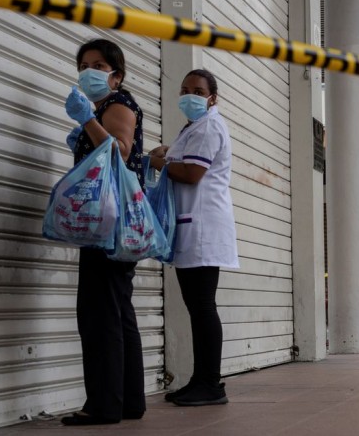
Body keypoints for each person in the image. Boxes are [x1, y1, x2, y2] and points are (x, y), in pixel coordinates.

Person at [61, 38, 146, 426]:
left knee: (99, 314)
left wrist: (87, 122)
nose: (89, 70)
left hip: (106, 221)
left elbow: (120, 151)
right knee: (116, 310)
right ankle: (128, 401)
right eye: (84, 64)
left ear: (117, 75)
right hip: (115, 219)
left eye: (99, 64)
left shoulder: (118, 105)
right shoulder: (108, 107)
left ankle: (103, 405)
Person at [147, 69, 239, 407]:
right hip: (194, 225)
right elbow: (186, 161)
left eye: (198, 90)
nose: (190, 95)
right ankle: (200, 380)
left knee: (202, 307)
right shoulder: (197, 127)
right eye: (185, 89)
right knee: (197, 307)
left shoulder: (210, 126)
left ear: (213, 97)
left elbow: (192, 173)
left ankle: (211, 384)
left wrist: (157, 161)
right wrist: (169, 153)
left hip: (203, 227)